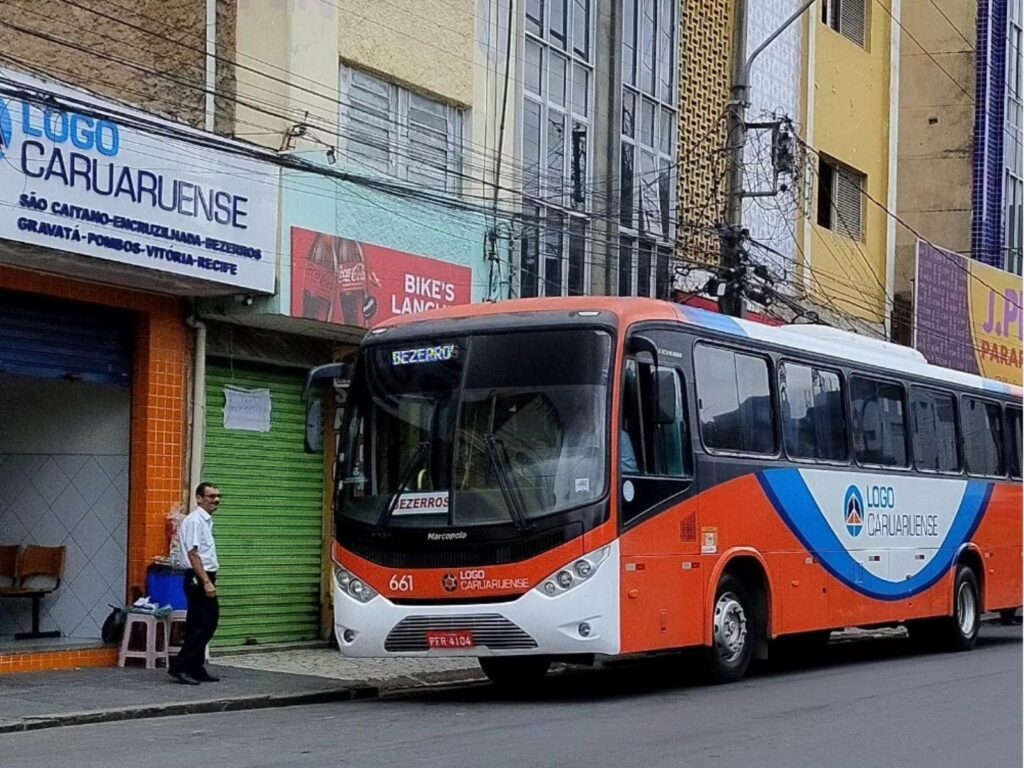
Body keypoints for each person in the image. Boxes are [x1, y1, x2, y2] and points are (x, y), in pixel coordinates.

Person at [168, 482, 222, 685]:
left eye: (218, 496)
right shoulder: (195, 521)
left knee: (197, 625)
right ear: (199, 498)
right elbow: (193, 554)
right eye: (210, 496)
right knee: (207, 623)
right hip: (198, 576)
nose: (216, 500)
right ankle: (179, 666)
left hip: (203, 575)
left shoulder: (205, 521)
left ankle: (195, 667)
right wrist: (206, 582)